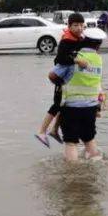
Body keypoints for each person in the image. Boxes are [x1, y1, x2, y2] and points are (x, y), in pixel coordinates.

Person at [51, 27, 105, 162]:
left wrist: (61, 82)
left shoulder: (75, 58)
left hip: (71, 107)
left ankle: (73, 172)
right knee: (89, 138)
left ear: (83, 40)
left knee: (71, 142)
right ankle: (96, 164)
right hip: (91, 107)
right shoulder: (98, 59)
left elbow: (52, 75)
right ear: (99, 45)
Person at [36, 12, 85, 147]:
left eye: (81, 25)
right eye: (76, 25)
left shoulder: (79, 39)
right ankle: (41, 131)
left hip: (68, 80)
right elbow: (60, 59)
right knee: (57, 105)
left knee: (65, 106)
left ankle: (54, 130)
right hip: (60, 79)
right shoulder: (65, 41)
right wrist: (76, 60)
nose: (79, 28)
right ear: (69, 26)